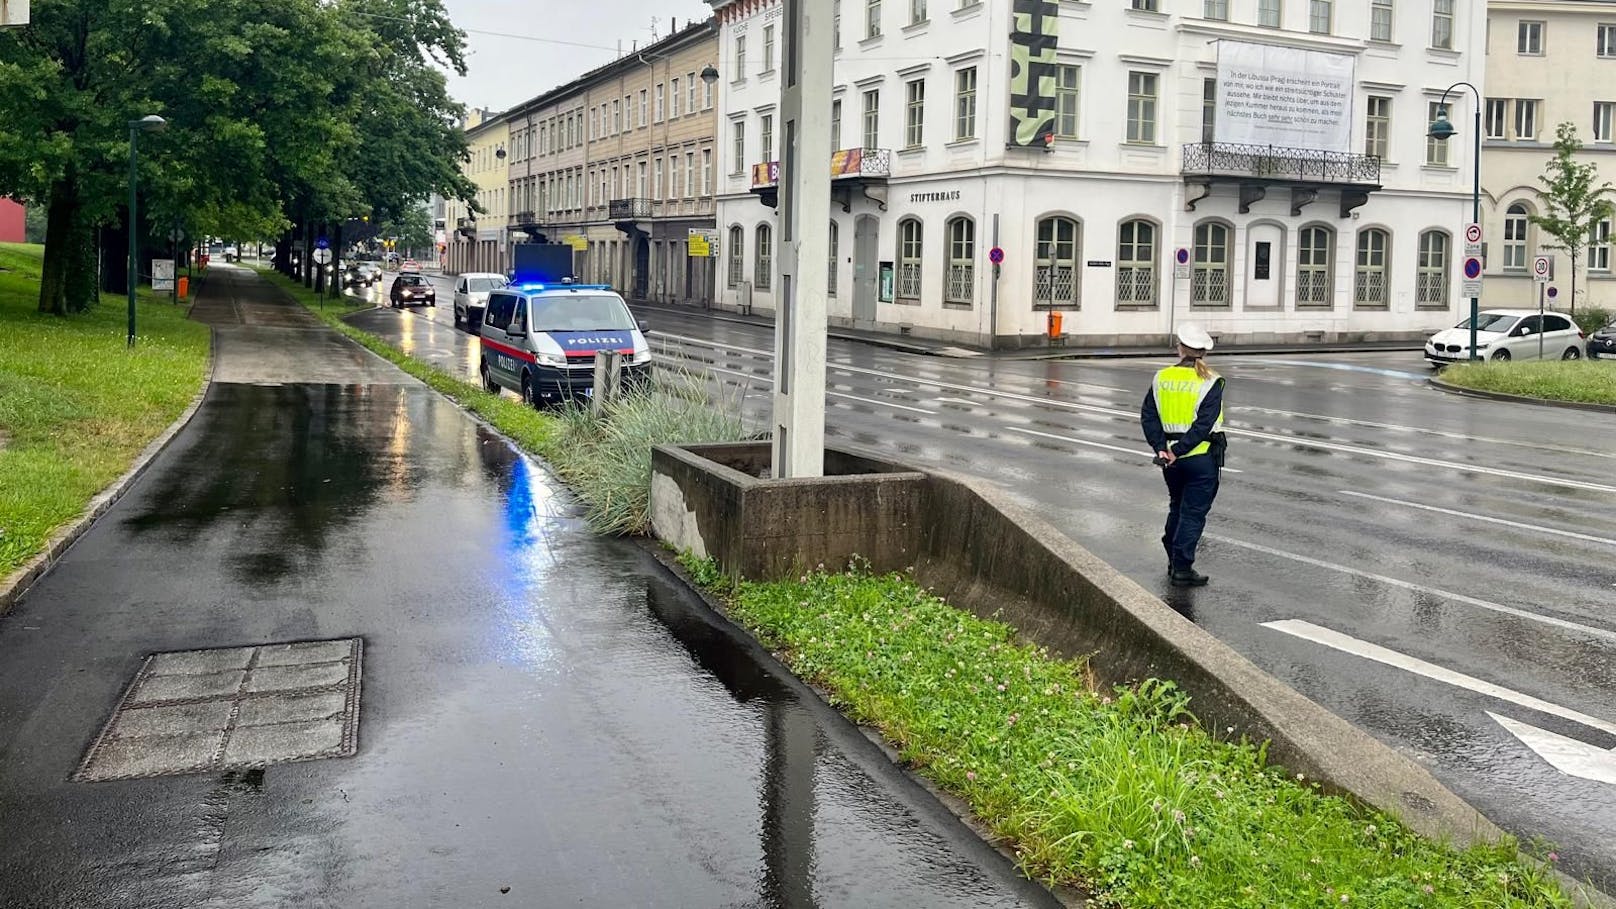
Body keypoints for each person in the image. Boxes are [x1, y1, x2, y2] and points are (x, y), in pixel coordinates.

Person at [1140, 324, 1226, 587]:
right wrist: (1178, 451)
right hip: (1200, 458)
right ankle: (1182, 568)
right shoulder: (1211, 380)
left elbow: (1149, 416)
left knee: (1177, 506)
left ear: (1179, 348)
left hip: (1170, 461)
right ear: (1204, 353)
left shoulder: (1161, 377)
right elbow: (1203, 425)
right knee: (1193, 513)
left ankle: (1172, 557)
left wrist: (1162, 449)